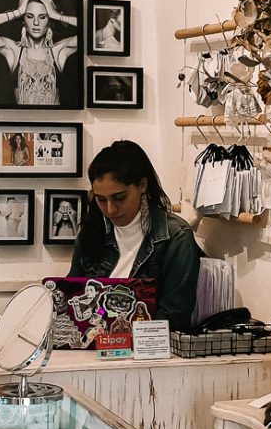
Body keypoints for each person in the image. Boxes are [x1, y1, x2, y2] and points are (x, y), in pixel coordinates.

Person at [68, 140, 204, 331]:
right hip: (93, 345)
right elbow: (70, 296)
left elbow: (174, 317)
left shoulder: (176, 237)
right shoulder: (91, 233)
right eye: (100, 199)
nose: (110, 209)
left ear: (142, 185)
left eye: (119, 197)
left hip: (147, 352)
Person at [0, 0, 78, 106]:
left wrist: (57, 16)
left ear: (50, 21)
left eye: (42, 17)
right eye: (29, 16)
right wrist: (17, 12)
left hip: (56, 120)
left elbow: (88, 32)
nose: (36, 23)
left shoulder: (58, 51)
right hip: (22, 121)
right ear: (23, 20)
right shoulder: (14, 50)